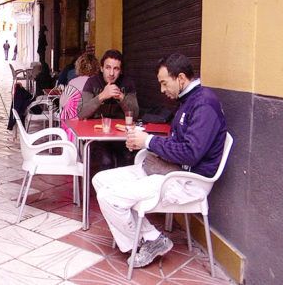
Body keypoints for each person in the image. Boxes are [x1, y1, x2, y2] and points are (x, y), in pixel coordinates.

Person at [93, 53, 227, 269]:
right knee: (100, 179)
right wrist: (143, 142)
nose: (162, 90)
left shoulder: (204, 105)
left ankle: (145, 241)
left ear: (181, 78)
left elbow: (191, 153)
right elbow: (177, 143)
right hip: (169, 170)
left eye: (165, 83)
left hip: (187, 181)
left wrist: (149, 141)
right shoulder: (188, 101)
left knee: (110, 197)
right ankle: (152, 238)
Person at [78, 49, 139, 168]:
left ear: (120, 71)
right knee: (106, 161)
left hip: (121, 136)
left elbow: (135, 114)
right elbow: (81, 113)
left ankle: (121, 187)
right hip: (97, 136)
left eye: (116, 69)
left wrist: (121, 97)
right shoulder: (92, 82)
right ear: (101, 68)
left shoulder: (128, 83)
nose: (111, 73)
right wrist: (102, 96)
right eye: (108, 67)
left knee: (128, 158)